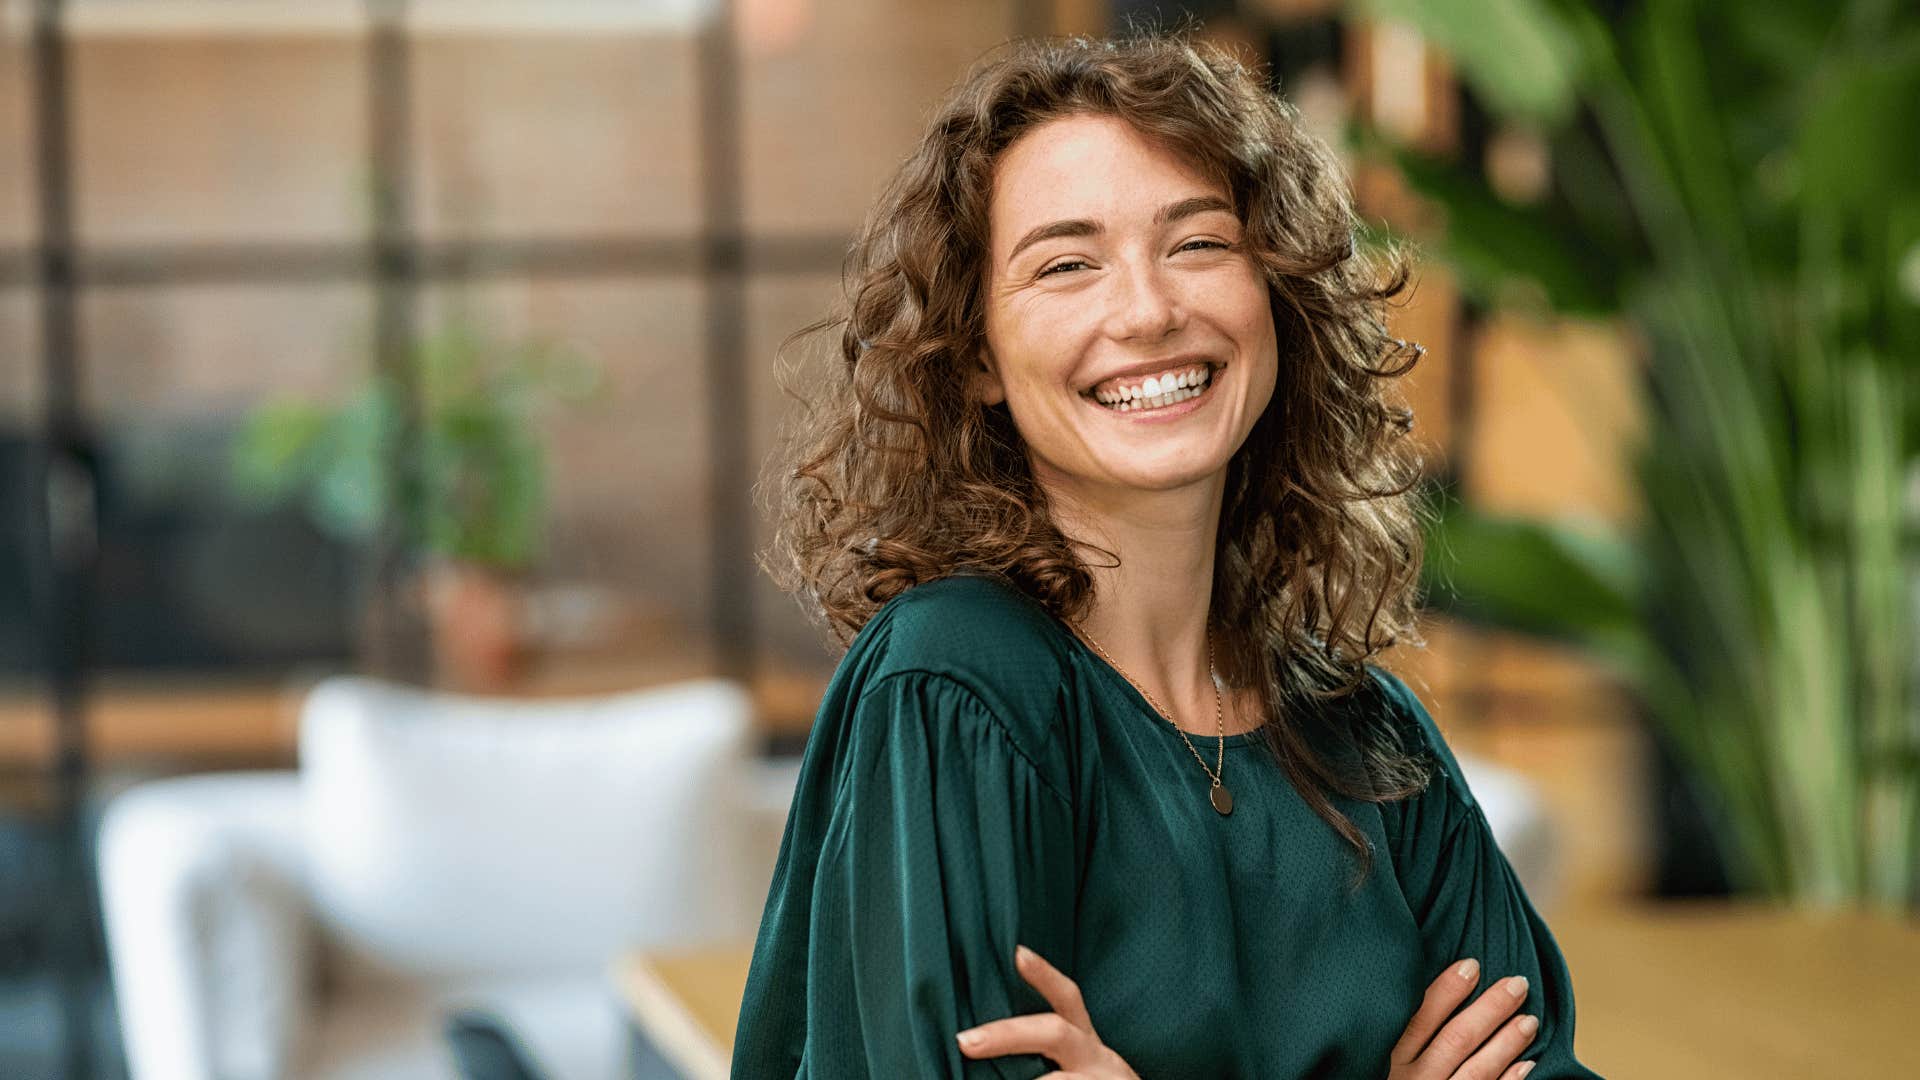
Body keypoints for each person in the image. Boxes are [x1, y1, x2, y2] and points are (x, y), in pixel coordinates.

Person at [732, 30, 1602, 1080]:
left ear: (1275, 295)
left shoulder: (1366, 736)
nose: (1147, 310)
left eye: (1197, 244)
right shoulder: (957, 687)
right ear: (974, 361)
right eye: (1065, 265)